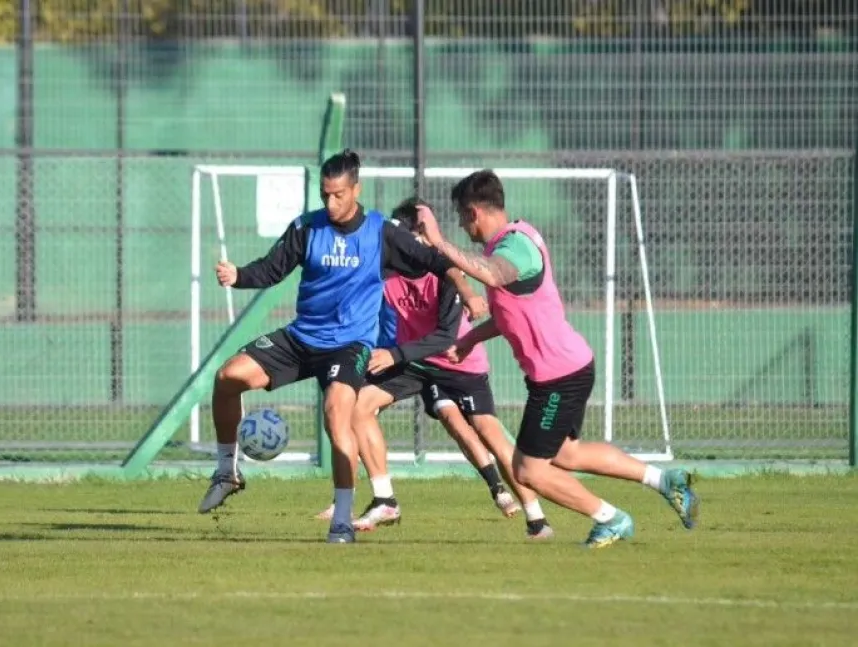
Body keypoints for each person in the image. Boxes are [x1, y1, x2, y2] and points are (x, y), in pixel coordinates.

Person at [198, 150, 474, 544]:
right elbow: (272, 268)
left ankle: (342, 519)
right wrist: (238, 275)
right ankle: (227, 471)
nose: (331, 203)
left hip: (349, 345)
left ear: (356, 189)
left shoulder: (381, 232)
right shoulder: (307, 228)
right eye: (326, 195)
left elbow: (437, 262)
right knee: (228, 377)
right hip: (302, 338)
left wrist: (468, 292)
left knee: (336, 413)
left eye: (339, 195)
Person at [418, 170, 699, 548]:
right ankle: (665, 481)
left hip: (558, 377)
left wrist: (438, 242)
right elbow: (509, 315)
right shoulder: (512, 240)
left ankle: (611, 518)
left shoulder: (514, 247)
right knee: (566, 453)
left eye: (459, 218)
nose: (460, 227)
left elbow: (493, 276)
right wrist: (470, 339)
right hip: (568, 367)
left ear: (473, 212)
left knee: (528, 470)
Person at [342, 197, 554, 539]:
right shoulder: (385, 272)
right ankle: (384, 499)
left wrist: (395, 354)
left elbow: (444, 337)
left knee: (487, 430)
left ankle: (536, 518)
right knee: (357, 405)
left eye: (411, 238)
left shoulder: (445, 275)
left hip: (458, 359)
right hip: (414, 360)